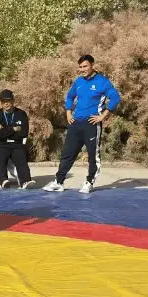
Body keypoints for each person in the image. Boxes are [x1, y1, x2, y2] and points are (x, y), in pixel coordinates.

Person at [45, 54, 121, 193]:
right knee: (67, 154)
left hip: (91, 124)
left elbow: (115, 98)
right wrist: (68, 112)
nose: (82, 69)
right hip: (75, 123)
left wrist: (102, 116)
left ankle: (89, 182)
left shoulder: (102, 82)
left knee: (93, 156)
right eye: (80, 67)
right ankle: (59, 182)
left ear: (92, 65)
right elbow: (70, 96)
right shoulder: (78, 82)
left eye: (85, 66)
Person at [0, 89, 35, 189]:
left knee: (21, 160)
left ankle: (25, 181)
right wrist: (14, 129)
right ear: (1, 103)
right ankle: (3, 180)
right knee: (0, 159)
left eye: (8, 100)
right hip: (1, 144)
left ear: (13, 101)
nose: (6, 103)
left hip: (16, 144)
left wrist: (5, 130)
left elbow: (23, 133)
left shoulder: (21, 114)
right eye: (3, 101)